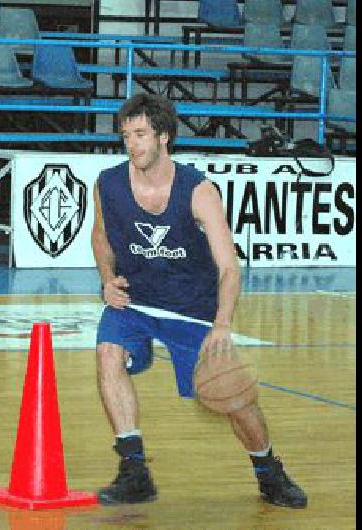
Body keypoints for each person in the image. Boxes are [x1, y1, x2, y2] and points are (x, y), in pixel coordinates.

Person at [91, 93, 307, 508]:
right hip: (135, 302)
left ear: (164, 137)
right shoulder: (108, 184)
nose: (131, 144)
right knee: (107, 352)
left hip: (191, 309)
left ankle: (268, 470)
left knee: (234, 398)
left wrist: (222, 324)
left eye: (140, 134)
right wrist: (106, 280)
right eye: (126, 136)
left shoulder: (197, 191)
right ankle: (133, 469)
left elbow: (229, 268)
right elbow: (100, 237)